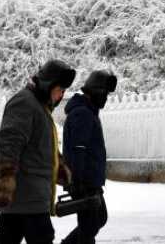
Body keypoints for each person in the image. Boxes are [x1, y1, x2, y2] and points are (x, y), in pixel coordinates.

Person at [0, 59, 77, 244]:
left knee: (7, 237)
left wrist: (63, 173)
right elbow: (9, 144)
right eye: (60, 89)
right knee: (41, 236)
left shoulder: (39, 107)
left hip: (29, 196)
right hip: (27, 196)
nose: (62, 95)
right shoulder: (24, 103)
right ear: (48, 85)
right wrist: (4, 185)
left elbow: (43, 150)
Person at [60, 69, 118, 244]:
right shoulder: (82, 113)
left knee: (98, 218)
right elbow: (78, 149)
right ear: (96, 91)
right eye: (105, 94)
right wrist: (78, 182)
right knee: (89, 225)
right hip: (84, 181)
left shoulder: (87, 111)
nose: (106, 98)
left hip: (90, 179)